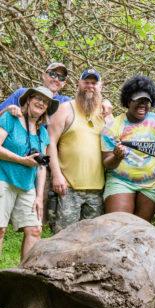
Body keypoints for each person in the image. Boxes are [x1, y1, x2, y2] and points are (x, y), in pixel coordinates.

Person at [0, 86, 58, 259]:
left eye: (45, 102)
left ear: (47, 108)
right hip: (4, 178)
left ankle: (23, 279)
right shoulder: (10, 118)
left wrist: (39, 197)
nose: (41, 103)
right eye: (37, 98)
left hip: (27, 185)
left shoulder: (43, 133)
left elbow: (42, 166)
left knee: (34, 230)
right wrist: (21, 160)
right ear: (28, 99)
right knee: (0, 230)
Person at [47, 68, 105, 232]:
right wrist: (56, 175)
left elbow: (113, 144)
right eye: (86, 82)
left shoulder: (104, 113)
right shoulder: (65, 109)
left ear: (100, 86)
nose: (90, 86)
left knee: (91, 240)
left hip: (97, 190)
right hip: (68, 188)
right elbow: (50, 142)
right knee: (63, 238)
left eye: (94, 83)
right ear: (78, 84)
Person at [101, 75, 155, 221]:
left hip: (151, 184)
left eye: (146, 101)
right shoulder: (111, 128)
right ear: (128, 101)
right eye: (138, 100)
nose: (143, 105)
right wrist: (117, 156)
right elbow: (107, 163)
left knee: (140, 230)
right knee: (118, 226)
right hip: (121, 181)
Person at [0, 63, 70, 117]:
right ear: (43, 75)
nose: (56, 79)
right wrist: (8, 110)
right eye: (52, 74)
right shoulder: (22, 93)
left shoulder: (65, 102)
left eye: (61, 78)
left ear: (64, 83)